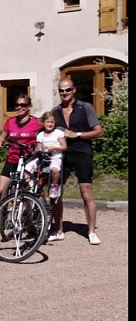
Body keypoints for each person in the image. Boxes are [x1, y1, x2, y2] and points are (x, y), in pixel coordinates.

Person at [49, 76, 104, 245]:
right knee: (55, 192)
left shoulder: (85, 107)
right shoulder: (55, 111)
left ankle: (91, 231)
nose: (64, 93)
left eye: (67, 89)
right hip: (61, 154)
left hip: (82, 152)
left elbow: (98, 131)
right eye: (61, 90)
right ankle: (58, 230)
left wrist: (77, 134)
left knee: (86, 193)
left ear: (74, 90)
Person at [0, 94, 41, 212]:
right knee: (0, 190)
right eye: (17, 105)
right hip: (12, 159)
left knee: (25, 190)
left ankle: (28, 216)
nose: (19, 107)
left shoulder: (37, 122)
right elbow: (2, 138)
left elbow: (45, 134)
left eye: (23, 105)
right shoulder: (11, 122)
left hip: (28, 161)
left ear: (29, 106)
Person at [23, 111, 67, 199]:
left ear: (55, 123)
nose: (50, 124)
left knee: (54, 169)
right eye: (48, 122)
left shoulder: (58, 133)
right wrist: (40, 149)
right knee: (27, 168)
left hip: (55, 157)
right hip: (42, 158)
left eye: (52, 122)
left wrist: (54, 148)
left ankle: (54, 186)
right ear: (43, 123)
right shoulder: (40, 135)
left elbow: (64, 147)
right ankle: (31, 183)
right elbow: (38, 149)